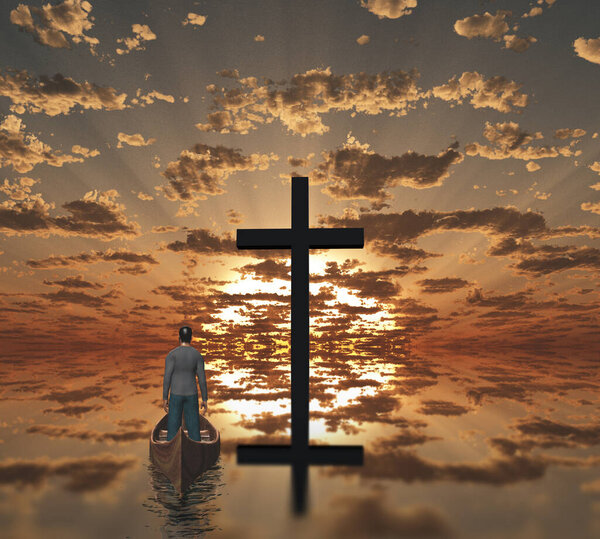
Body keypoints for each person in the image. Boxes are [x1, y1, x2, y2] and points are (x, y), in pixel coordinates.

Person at [162, 326, 208, 441]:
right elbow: (202, 379)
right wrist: (205, 399)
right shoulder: (197, 355)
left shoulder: (171, 355)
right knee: (193, 428)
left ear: (179, 338)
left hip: (175, 394)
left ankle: (172, 448)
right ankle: (196, 450)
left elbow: (167, 377)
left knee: (172, 429)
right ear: (191, 338)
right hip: (191, 395)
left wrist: (164, 398)